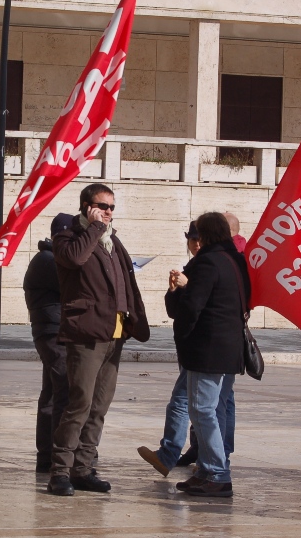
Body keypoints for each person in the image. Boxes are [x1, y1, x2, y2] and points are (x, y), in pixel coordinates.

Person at [47, 183, 149, 496]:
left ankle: (84, 468)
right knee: (80, 403)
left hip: (115, 333)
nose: (108, 212)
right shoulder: (70, 238)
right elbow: (75, 259)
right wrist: (94, 228)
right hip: (86, 333)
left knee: (99, 407)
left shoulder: (113, 243)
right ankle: (60, 472)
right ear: (87, 207)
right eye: (102, 206)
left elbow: (126, 284)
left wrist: (136, 319)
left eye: (112, 208)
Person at [166, 213, 248, 497]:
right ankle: (208, 469)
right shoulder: (235, 260)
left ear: (204, 235)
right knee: (215, 408)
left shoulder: (207, 263)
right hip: (229, 349)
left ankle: (217, 472)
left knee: (203, 410)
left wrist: (176, 293)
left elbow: (190, 308)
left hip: (207, 349)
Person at [138, 219, 204, 475]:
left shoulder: (209, 267)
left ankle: (168, 455)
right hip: (190, 345)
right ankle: (200, 451)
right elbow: (175, 311)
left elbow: (208, 306)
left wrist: (189, 286)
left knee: (181, 402)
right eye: (192, 239)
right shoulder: (193, 267)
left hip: (203, 348)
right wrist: (174, 290)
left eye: (200, 239)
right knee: (202, 404)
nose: (196, 245)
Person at [26, 213, 74, 473]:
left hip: (52, 331)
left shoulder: (48, 258)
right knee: (63, 393)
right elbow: (76, 284)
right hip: (53, 333)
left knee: (52, 393)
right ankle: (58, 455)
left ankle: (47, 456)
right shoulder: (47, 260)